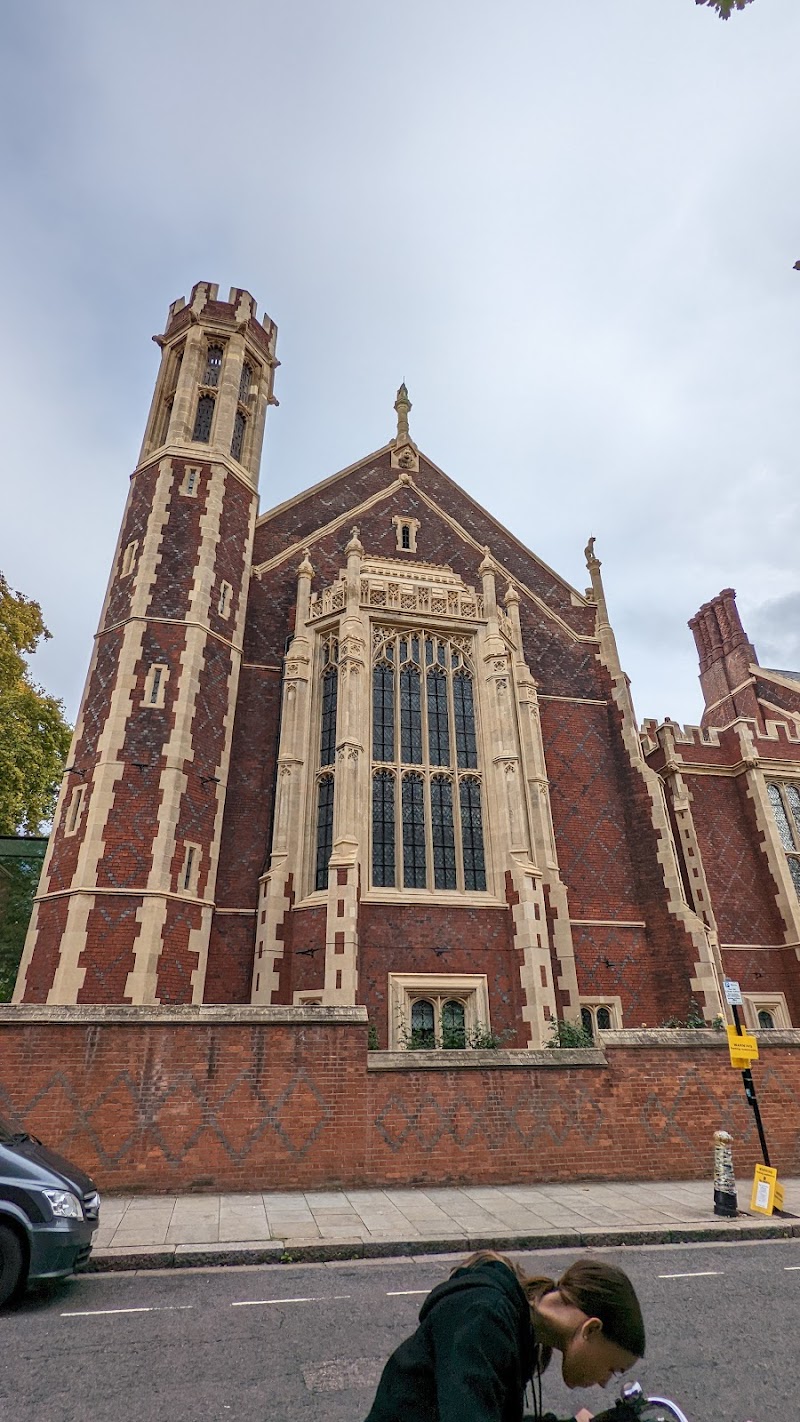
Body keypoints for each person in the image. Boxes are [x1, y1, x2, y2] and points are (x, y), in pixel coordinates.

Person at [363, 1250, 645, 1422]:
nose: (604, 1382)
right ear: (591, 1329)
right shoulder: (484, 1319)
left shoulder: (518, 1328)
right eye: (613, 1369)